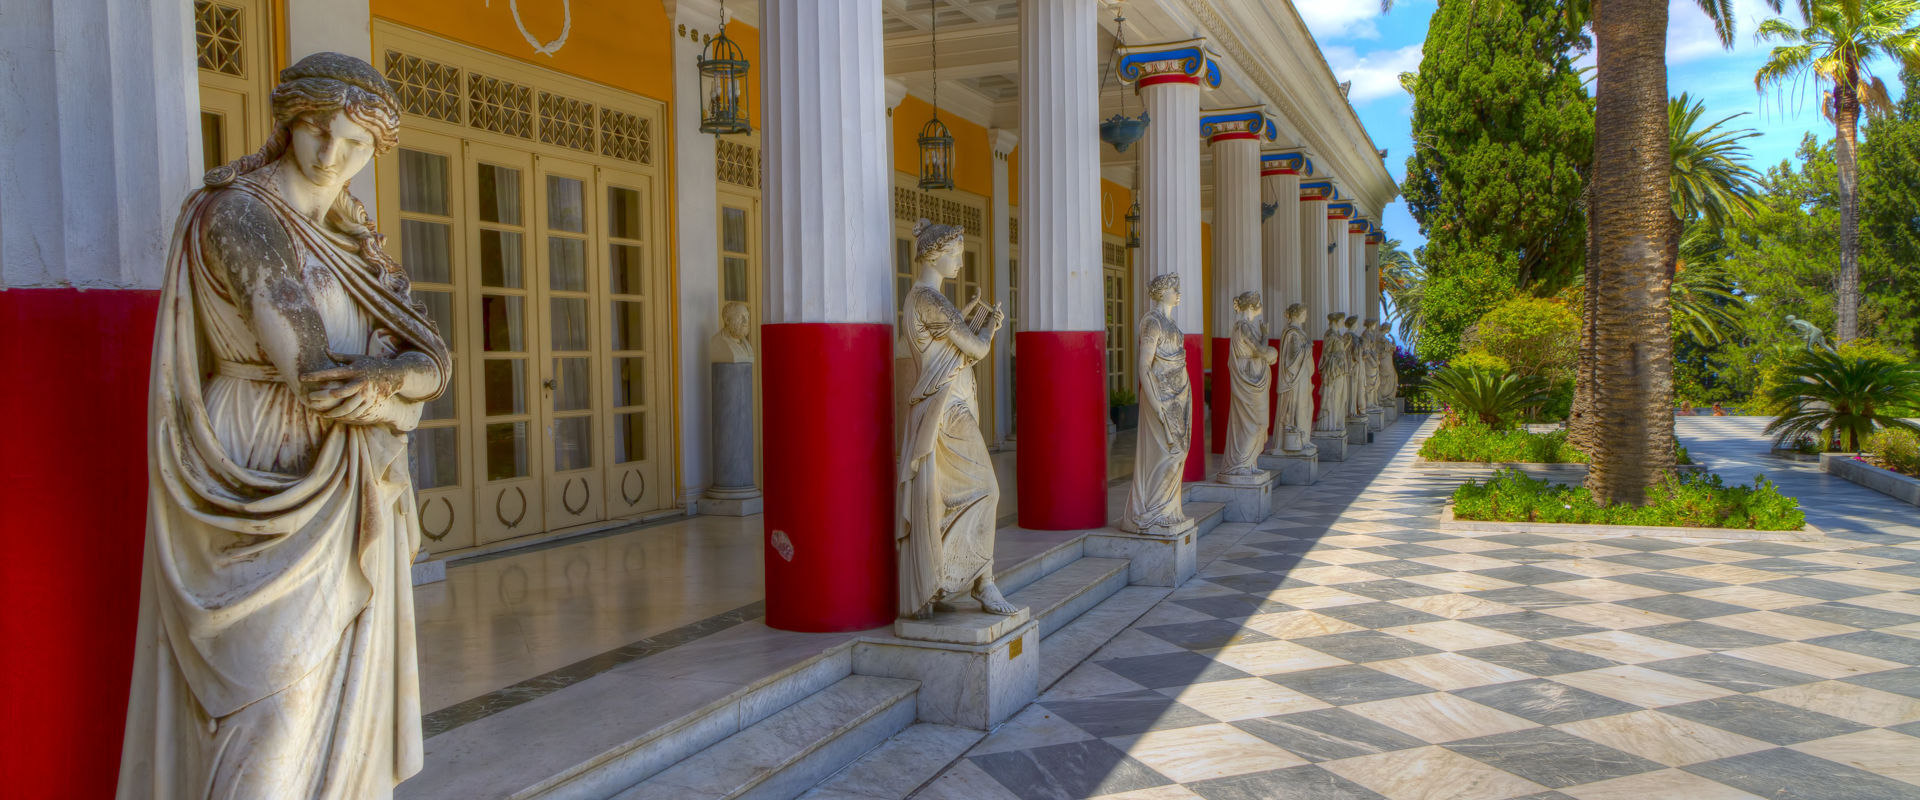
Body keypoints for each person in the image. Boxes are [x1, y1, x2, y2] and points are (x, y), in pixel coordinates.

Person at [120, 53, 449, 799]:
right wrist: (402, 388)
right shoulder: (239, 216)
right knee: (272, 710)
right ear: (288, 125)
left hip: (345, 478)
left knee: (332, 697)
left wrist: (397, 380)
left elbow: (434, 357)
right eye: (317, 131)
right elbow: (316, 376)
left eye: (356, 144)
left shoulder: (354, 239)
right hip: (264, 468)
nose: (334, 156)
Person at [896, 219, 1017, 619]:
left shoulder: (923, 301)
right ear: (936, 254)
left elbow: (949, 345)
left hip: (945, 406)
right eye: (956, 254)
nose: (960, 263)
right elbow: (976, 350)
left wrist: (964, 320)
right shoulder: (929, 300)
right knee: (986, 489)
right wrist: (991, 329)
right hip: (947, 409)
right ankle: (979, 580)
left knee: (946, 498)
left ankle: (949, 578)